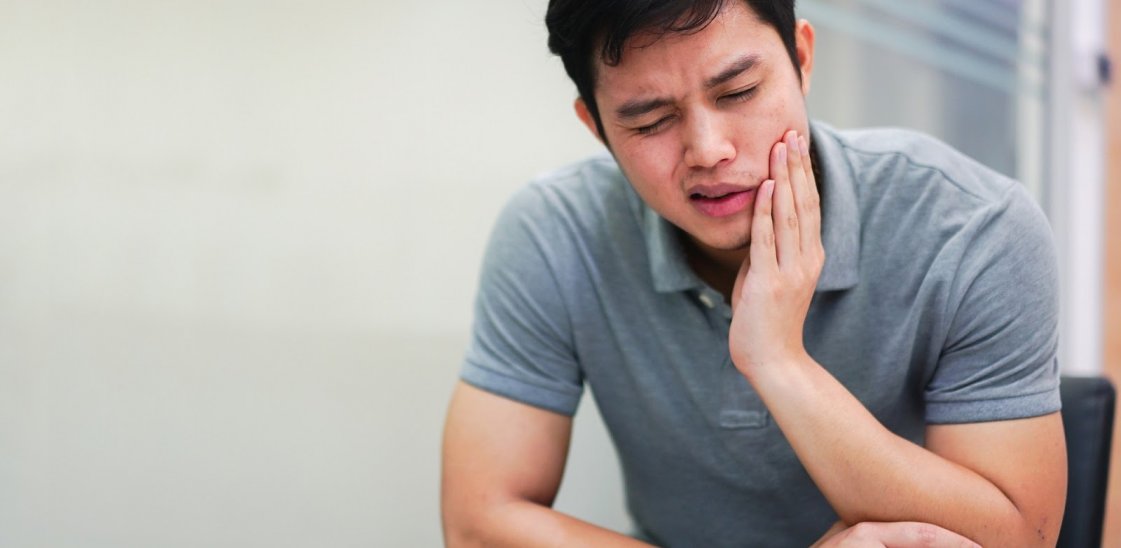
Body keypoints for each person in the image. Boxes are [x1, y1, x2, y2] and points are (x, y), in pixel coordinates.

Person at [441, 0, 1067, 546]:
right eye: (650, 121)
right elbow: (479, 524)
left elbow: (1016, 537)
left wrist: (778, 361)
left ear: (801, 57)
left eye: (738, 92)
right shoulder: (555, 233)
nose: (709, 150)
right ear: (597, 128)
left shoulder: (973, 227)